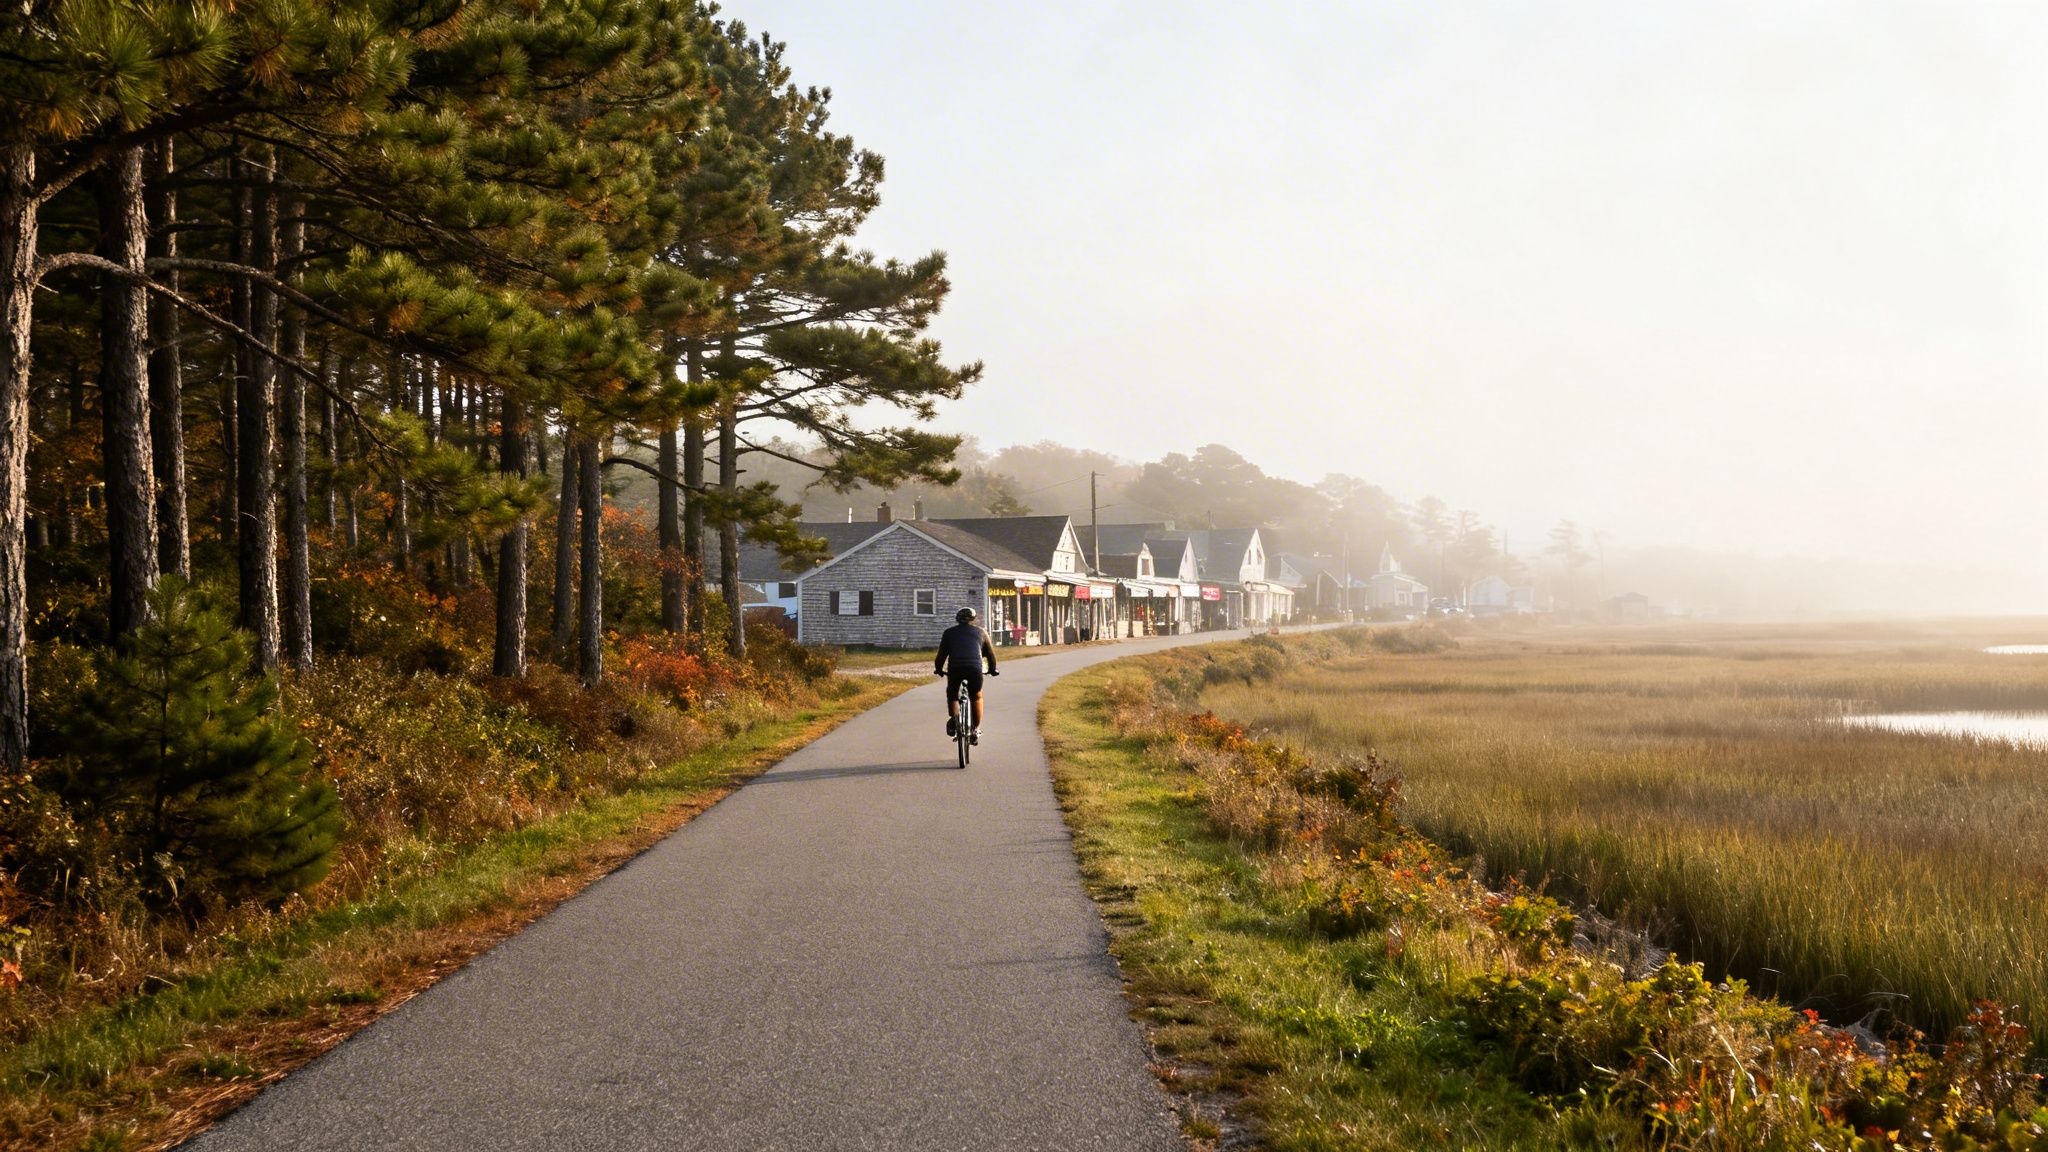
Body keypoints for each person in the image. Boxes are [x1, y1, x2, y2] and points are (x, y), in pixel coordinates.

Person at [934, 606, 998, 741]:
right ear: (973, 619)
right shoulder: (981, 632)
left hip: (955, 668)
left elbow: (941, 656)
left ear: (957, 619)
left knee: (952, 695)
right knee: (976, 696)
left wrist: (939, 669)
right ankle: (975, 729)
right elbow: (990, 655)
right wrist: (992, 669)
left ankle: (954, 720)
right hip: (974, 669)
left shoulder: (949, 633)